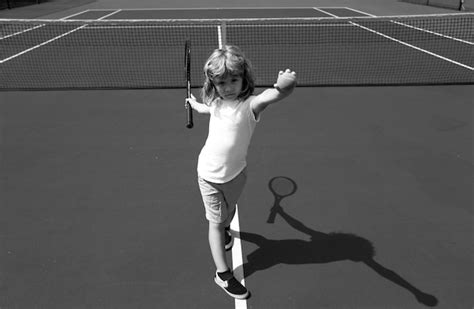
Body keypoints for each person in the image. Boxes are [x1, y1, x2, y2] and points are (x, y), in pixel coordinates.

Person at [186, 45, 296, 299]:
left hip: (237, 175)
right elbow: (208, 109)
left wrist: (283, 87)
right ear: (213, 84)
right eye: (221, 82)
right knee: (216, 222)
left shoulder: (250, 106)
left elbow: (271, 96)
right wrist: (194, 104)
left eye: (233, 80)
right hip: (209, 175)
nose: (228, 87)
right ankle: (223, 274)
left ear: (244, 78)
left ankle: (225, 227)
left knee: (228, 211)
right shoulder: (215, 102)